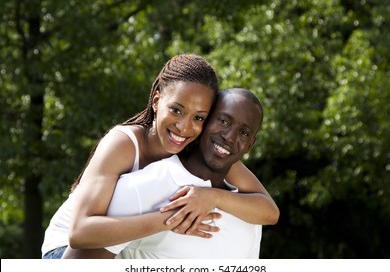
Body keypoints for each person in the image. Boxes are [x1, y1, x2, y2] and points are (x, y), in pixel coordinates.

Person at [41, 54, 279, 259]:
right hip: (64, 250)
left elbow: (269, 211)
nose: (184, 128)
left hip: (119, 243)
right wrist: (171, 220)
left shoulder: (203, 145)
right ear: (156, 101)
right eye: (176, 110)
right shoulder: (123, 143)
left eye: (198, 118)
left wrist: (211, 197)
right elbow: (80, 233)